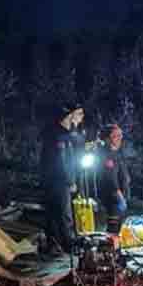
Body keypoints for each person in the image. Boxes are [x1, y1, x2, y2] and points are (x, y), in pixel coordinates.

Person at [39, 103, 84, 253]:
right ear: (69, 115)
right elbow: (62, 162)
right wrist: (70, 181)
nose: (81, 118)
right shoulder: (60, 135)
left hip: (52, 179)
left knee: (54, 213)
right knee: (65, 214)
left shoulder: (59, 132)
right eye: (78, 114)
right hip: (59, 181)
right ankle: (69, 245)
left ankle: (54, 244)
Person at [96, 124, 131, 234]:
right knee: (114, 225)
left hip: (120, 194)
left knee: (118, 225)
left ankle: (114, 248)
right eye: (116, 136)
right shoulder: (106, 154)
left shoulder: (116, 153)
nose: (120, 138)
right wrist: (118, 194)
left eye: (120, 135)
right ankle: (110, 249)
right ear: (107, 139)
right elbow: (110, 177)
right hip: (113, 196)